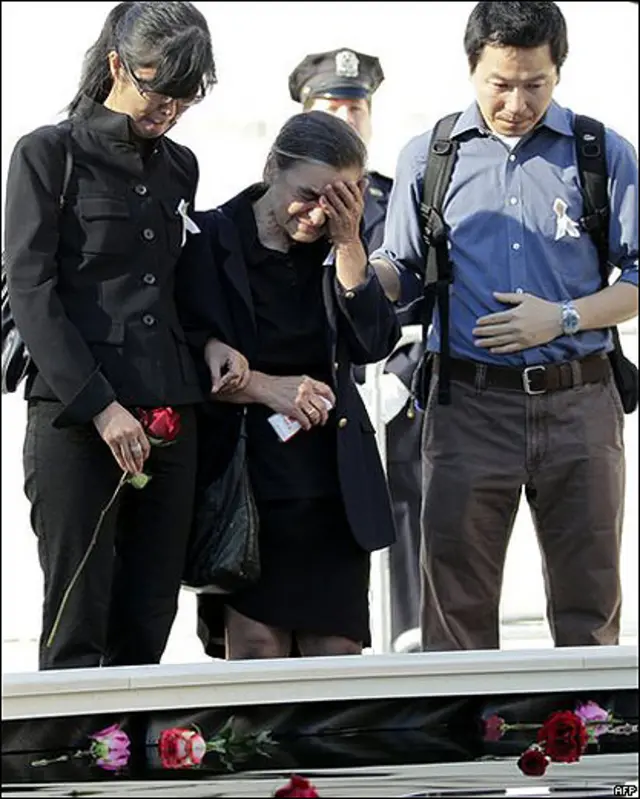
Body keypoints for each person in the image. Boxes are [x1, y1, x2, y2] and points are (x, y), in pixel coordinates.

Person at [371, 1, 638, 650]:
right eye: (500, 83)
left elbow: (635, 276)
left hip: (581, 403)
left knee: (589, 602)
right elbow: (401, 270)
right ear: (472, 69)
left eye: (534, 84)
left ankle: (585, 735)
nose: (516, 101)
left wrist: (564, 317)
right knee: (454, 609)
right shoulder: (430, 156)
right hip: (468, 407)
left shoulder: (601, 153)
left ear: (558, 73)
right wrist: (351, 268)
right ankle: (461, 739)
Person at [3, 1, 245, 670]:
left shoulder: (181, 166)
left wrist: (211, 341)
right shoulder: (48, 155)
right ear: (116, 65)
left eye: (183, 99)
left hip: (171, 410)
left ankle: (132, 764)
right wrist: (101, 406)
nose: (166, 111)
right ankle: (70, 764)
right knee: (77, 617)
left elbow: (178, 284)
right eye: (155, 90)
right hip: (76, 414)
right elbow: (32, 293)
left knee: (148, 614)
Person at [177, 111, 400, 659]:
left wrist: (349, 243)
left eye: (338, 199)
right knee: (257, 653)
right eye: (306, 194)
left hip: (332, 482)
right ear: (273, 167)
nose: (317, 212)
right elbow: (184, 352)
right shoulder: (211, 237)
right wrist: (262, 385)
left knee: (338, 654)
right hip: (250, 483)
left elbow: (373, 343)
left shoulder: (337, 245)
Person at [289, 48, 424, 648]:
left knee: (405, 511)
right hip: (309, 399)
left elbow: (412, 295)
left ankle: (411, 631)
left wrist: (398, 372)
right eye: (331, 107)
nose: (346, 118)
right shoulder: (279, 199)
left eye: (355, 108)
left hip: (396, 385)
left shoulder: (395, 202)